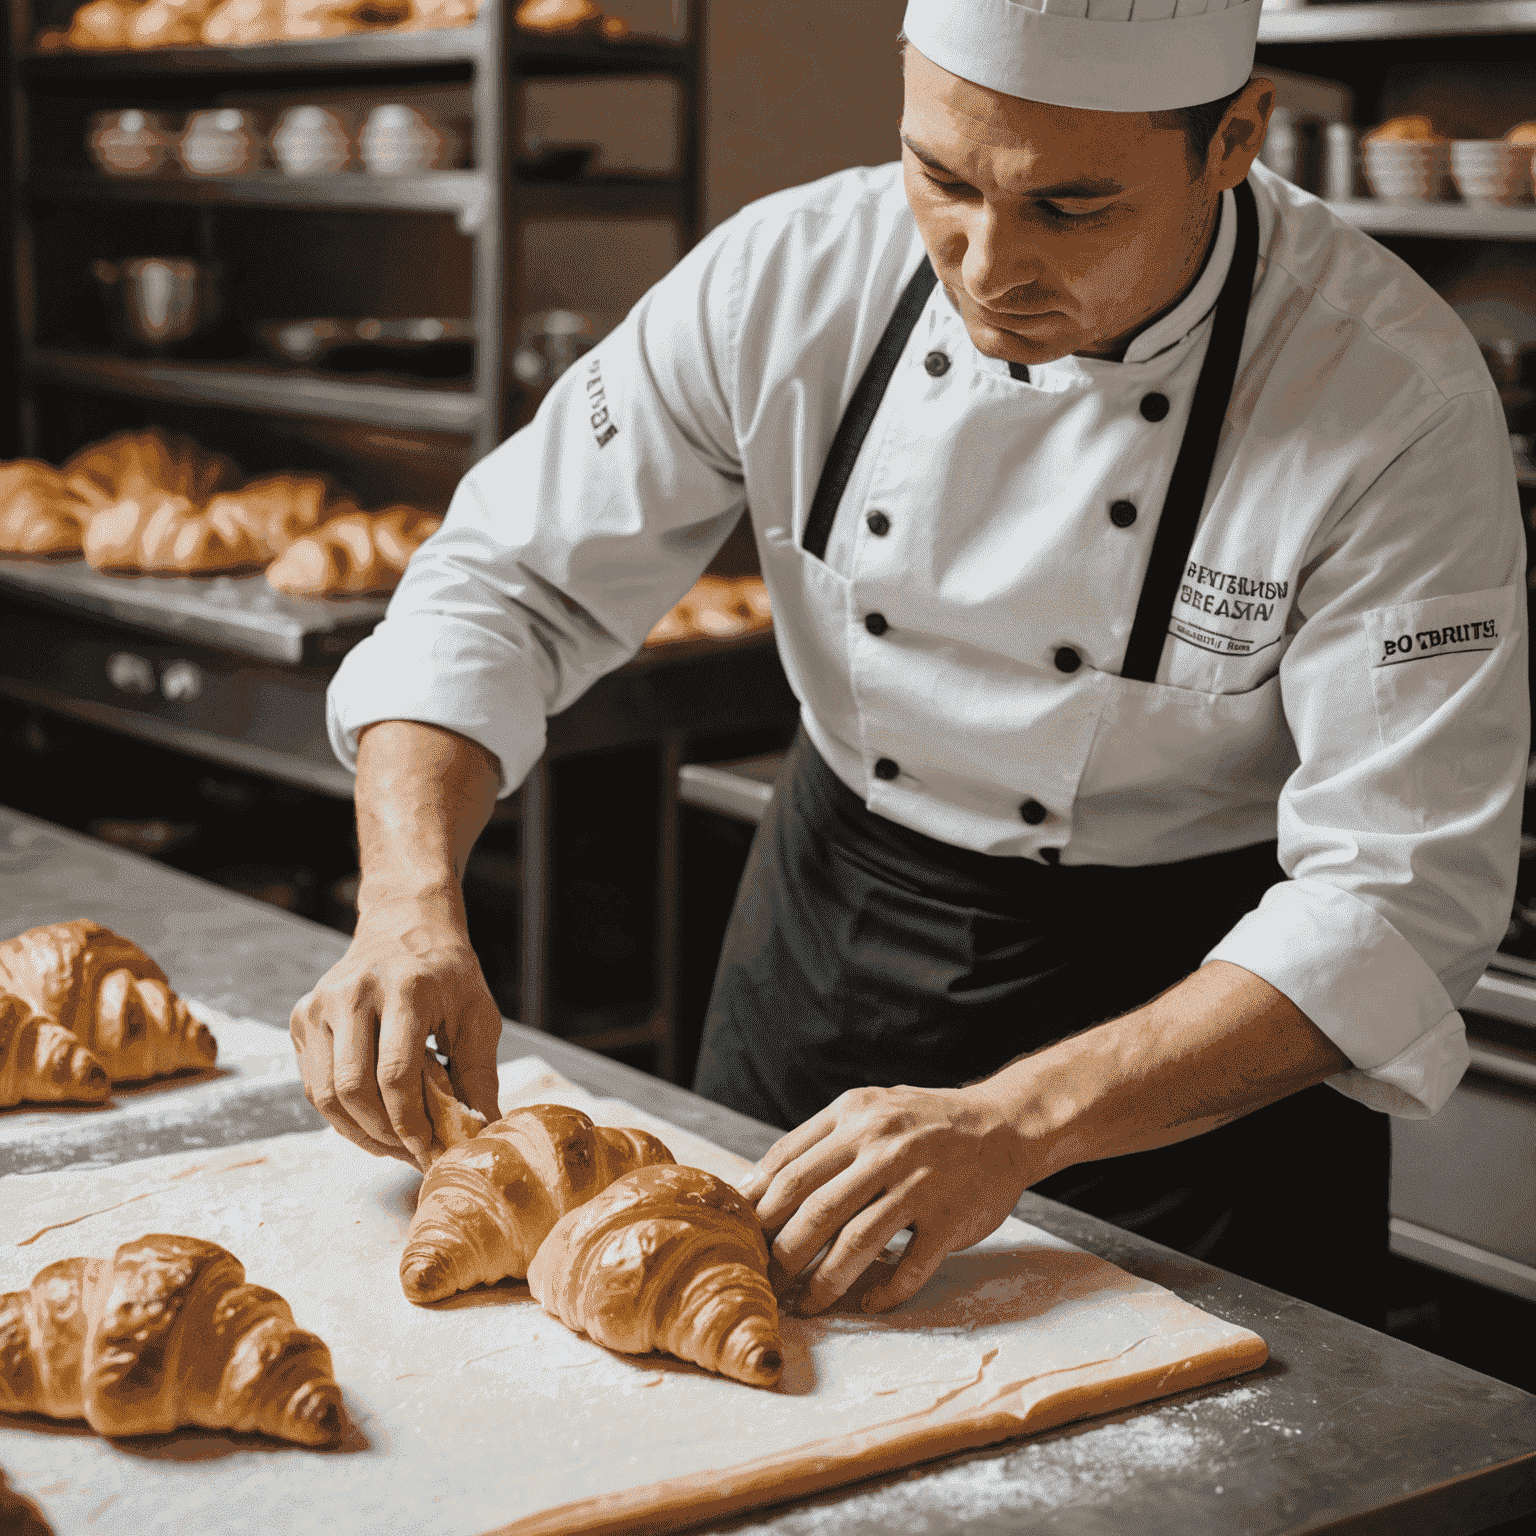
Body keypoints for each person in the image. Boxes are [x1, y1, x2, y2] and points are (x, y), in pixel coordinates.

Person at [292, 0, 1527, 1329]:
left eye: (1073, 207)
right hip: (836, 942)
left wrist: (1014, 1123)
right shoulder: (782, 278)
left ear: (1233, 141)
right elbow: (503, 583)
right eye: (943, 177)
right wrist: (408, 899)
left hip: (1192, 1031)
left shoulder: (1390, 395)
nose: (987, 263)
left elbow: (1395, 899)